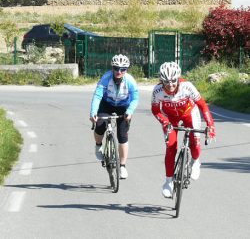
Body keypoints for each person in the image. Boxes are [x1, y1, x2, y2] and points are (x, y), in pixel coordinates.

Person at [151, 61, 215, 198]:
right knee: (170, 147)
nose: (170, 85)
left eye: (173, 81)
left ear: (178, 78)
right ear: (161, 81)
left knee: (195, 142)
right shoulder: (157, 91)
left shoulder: (187, 86)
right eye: (166, 82)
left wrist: (210, 125)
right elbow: (155, 110)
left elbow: (203, 106)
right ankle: (168, 182)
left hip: (189, 113)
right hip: (170, 117)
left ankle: (195, 161)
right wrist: (165, 122)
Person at [90, 54, 139, 179]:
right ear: (112, 68)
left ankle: (122, 166)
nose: (119, 71)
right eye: (116, 68)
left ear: (126, 70)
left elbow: (135, 98)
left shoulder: (130, 81)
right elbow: (97, 96)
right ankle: (98, 145)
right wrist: (93, 112)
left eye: (123, 69)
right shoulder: (106, 78)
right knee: (100, 125)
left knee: (122, 136)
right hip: (107, 105)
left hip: (123, 107)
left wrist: (130, 111)